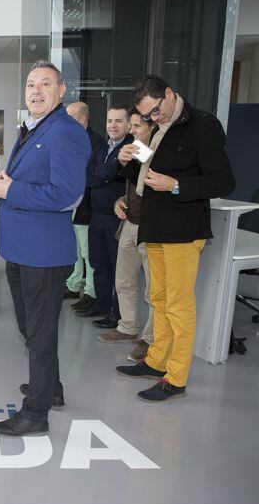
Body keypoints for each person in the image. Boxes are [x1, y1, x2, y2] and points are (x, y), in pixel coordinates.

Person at [0, 61, 89, 436]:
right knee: (30, 327)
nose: (36, 90)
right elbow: (32, 180)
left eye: (45, 84)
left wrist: (11, 191)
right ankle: (50, 388)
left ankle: (35, 414)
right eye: (30, 84)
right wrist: (4, 181)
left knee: (39, 334)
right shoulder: (35, 128)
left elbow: (67, 194)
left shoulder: (66, 133)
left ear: (62, 91)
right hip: (21, 247)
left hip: (42, 251)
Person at [115, 75, 235, 402]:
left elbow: (224, 181)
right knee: (159, 299)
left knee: (179, 306)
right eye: (147, 116)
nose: (153, 118)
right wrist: (124, 159)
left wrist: (177, 185)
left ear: (169, 94)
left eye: (155, 111)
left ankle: (177, 376)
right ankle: (156, 361)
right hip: (153, 226)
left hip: (183, 230)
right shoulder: (156, 129)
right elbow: (136, 174)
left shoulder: (203, 125)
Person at [97, 109, 156, 363]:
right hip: (130, 224)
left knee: (153, 291)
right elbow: (133, 187)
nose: (131, 131)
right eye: (129, 126)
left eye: (136, 126)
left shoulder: (156, 153)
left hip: (152, 228)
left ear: (151, 127)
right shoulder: (136, 151)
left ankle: (150, 340)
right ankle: (128, 327)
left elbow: (157, 186)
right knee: (123, 281)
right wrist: (120, 201)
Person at [76, 105, 133, 329]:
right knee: (99, 264)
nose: (112, 125)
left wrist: (107, 172)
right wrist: (110, 171)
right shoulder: (102, 147)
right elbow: (89, 177)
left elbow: (112, 174)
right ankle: (101, 305)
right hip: (96, 215)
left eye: (119, 121)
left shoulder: (133, 148)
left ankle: (118, 315)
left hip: (118, 218)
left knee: (119, 269)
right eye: (110, 121)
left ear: (129, 124)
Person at [64, 102, 104, 311]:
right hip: (71, 205)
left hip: (86, 207)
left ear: (82, 119)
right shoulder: (72, 140)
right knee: (75, 250)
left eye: (69, 117)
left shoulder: (95, 142)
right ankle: (73, 284)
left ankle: (91, 291)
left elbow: (92, 176)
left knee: (88, 253)